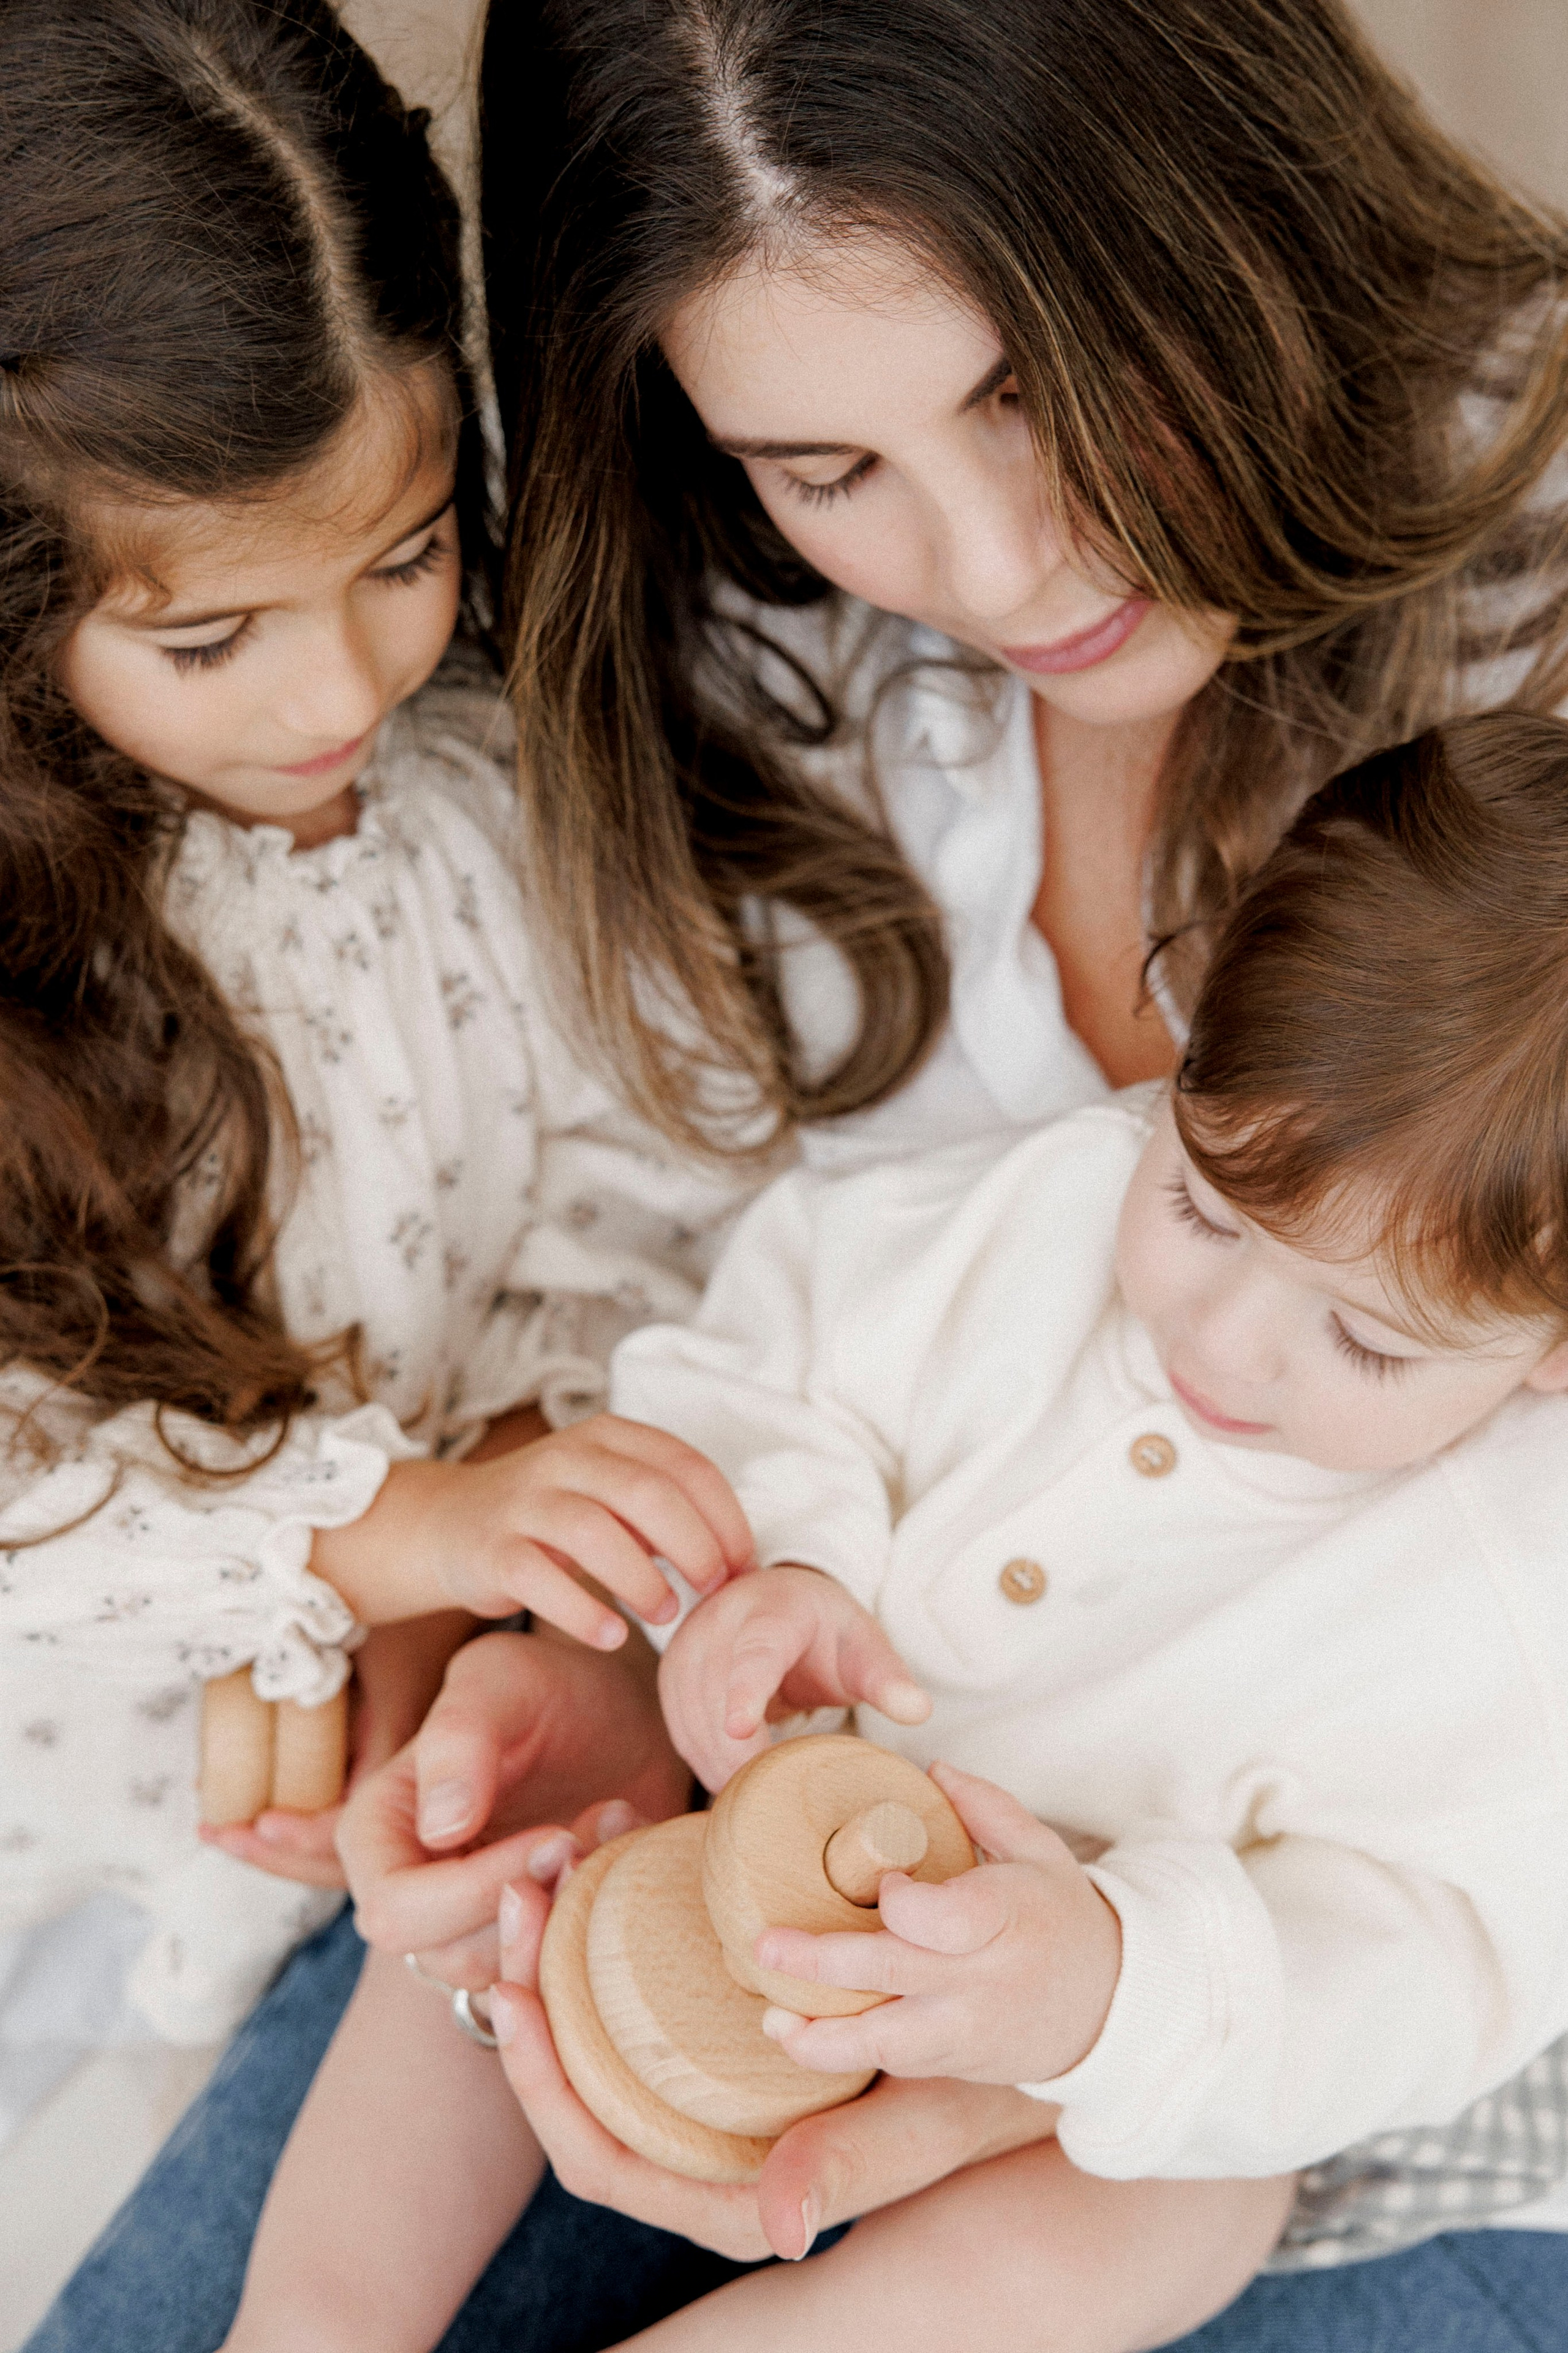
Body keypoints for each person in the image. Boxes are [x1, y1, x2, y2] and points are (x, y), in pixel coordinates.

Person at [36, 0, 1568, 2345]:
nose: (992, 560)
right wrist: (547, 1660)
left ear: (1219, 219)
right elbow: (723, 1317)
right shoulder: (726, 655)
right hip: (769, 1815)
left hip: (1358, 2034)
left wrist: (1108, 2020)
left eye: (1036, 389)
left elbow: (1442, 1892)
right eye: (825, 462)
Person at [0, 0, 757, 2343]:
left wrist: (460, 1570)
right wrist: (354, 1535)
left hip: (361, 1799)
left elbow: (627, 1206)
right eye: (208, 629)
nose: (337, 683)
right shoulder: (54, 958)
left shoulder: (487, 804)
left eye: (407, 554)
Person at [574, 714, 1568, 2349]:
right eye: (1201, 1202)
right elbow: (768, 1346)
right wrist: (782, 1561)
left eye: (1368, 1341)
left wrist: (1114, 1983)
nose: (1226, 1343)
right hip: (737, 1850)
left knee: (1172, 2218)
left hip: (1083, 2066)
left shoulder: (1503, 1612)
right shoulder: (1033, 1213)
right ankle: (320, 2315)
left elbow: (1419, 1969)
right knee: (524, 1860)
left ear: (1548, 1348)